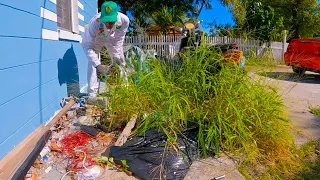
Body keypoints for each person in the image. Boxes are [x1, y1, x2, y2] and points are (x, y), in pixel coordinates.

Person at [82, 1, 130, 97]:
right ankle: (92, 93)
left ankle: (124, 88)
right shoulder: (94, 23)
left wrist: (116, 57)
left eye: (111, 21)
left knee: (121, 62)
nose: (108, 24)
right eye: (106, 21)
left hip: (113, 40)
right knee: (92, 63)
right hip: (97, 39)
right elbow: (87, 46)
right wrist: (98, 65)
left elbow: (119, 40)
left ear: (116, 16)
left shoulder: (124, 21)